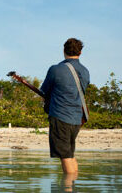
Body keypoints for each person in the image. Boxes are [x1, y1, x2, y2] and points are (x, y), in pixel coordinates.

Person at [40, 38, 90, 174]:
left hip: (60, 117)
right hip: (77, 119)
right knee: (70, 155)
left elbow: (44, 91)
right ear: (80, 52)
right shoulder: (85, 71)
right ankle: (73, 185)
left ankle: (67, 187)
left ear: (64, 51)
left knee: (65, 156)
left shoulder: (55, 69)